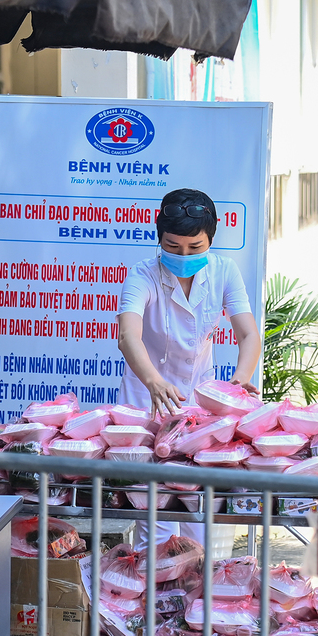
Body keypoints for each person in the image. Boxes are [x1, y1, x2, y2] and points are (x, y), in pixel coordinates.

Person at [115, 187, 262, 550]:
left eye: (195, 248)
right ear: (159, 238)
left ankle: (207, 598)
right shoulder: (142, 275)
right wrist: (153, 381)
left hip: (201, 405)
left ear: (210, 240)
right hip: (147, 402)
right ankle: (153, 597)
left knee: (202, 511)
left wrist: (238, 385)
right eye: (172, 246)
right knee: (155, 511)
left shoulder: (225, 271)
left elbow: (248, 335)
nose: (182, 255)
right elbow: (127, 335)